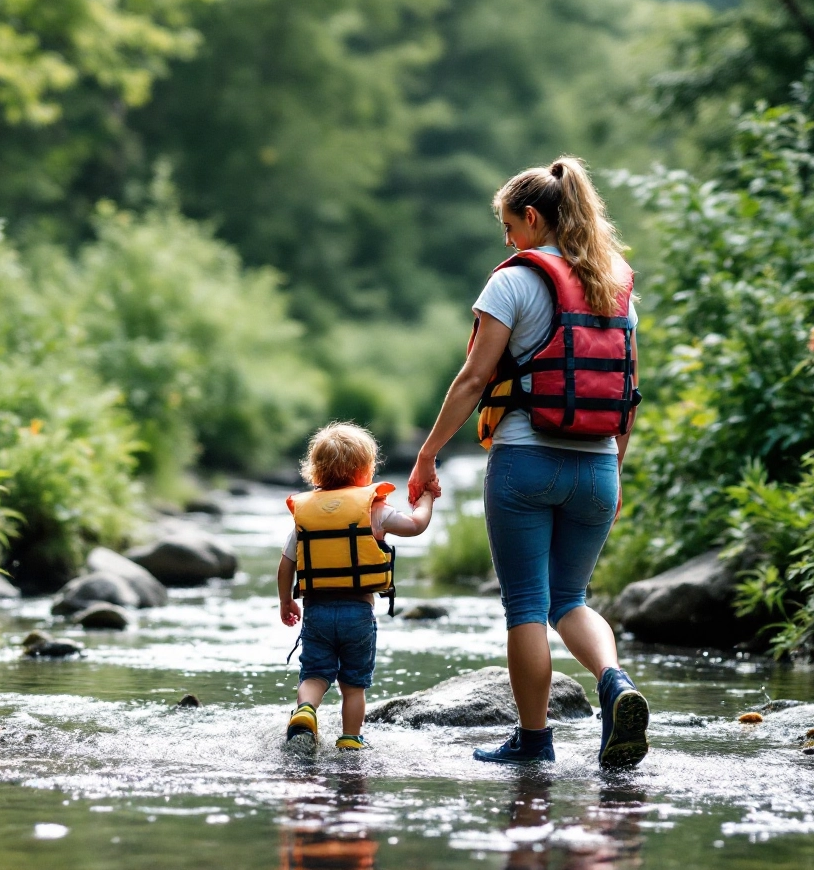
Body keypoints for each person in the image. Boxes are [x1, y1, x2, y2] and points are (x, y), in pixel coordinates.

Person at [406, 157, 649, 768]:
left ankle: (535, 741)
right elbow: (628, 391)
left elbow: (472, 380)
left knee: (525, 607)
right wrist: (613, 468)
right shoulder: (614, 283)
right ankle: (613, 680)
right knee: (570, 598)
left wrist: (428, 454)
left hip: (524, 460)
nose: (509, 240)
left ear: (534, 218)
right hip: (596, 466)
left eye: (510, 226)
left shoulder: (513, 281)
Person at [278, 422, 435, 752]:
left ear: (315, 472)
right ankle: (350, 739)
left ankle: (306, 710)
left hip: (317, 612)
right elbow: (416, 525)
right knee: (353, 685)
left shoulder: (306, 514)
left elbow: (286, 565)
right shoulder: (374, 508)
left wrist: (285, 603)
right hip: (358, 614)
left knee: (315, 675)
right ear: (366, 470)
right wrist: (426, 498)